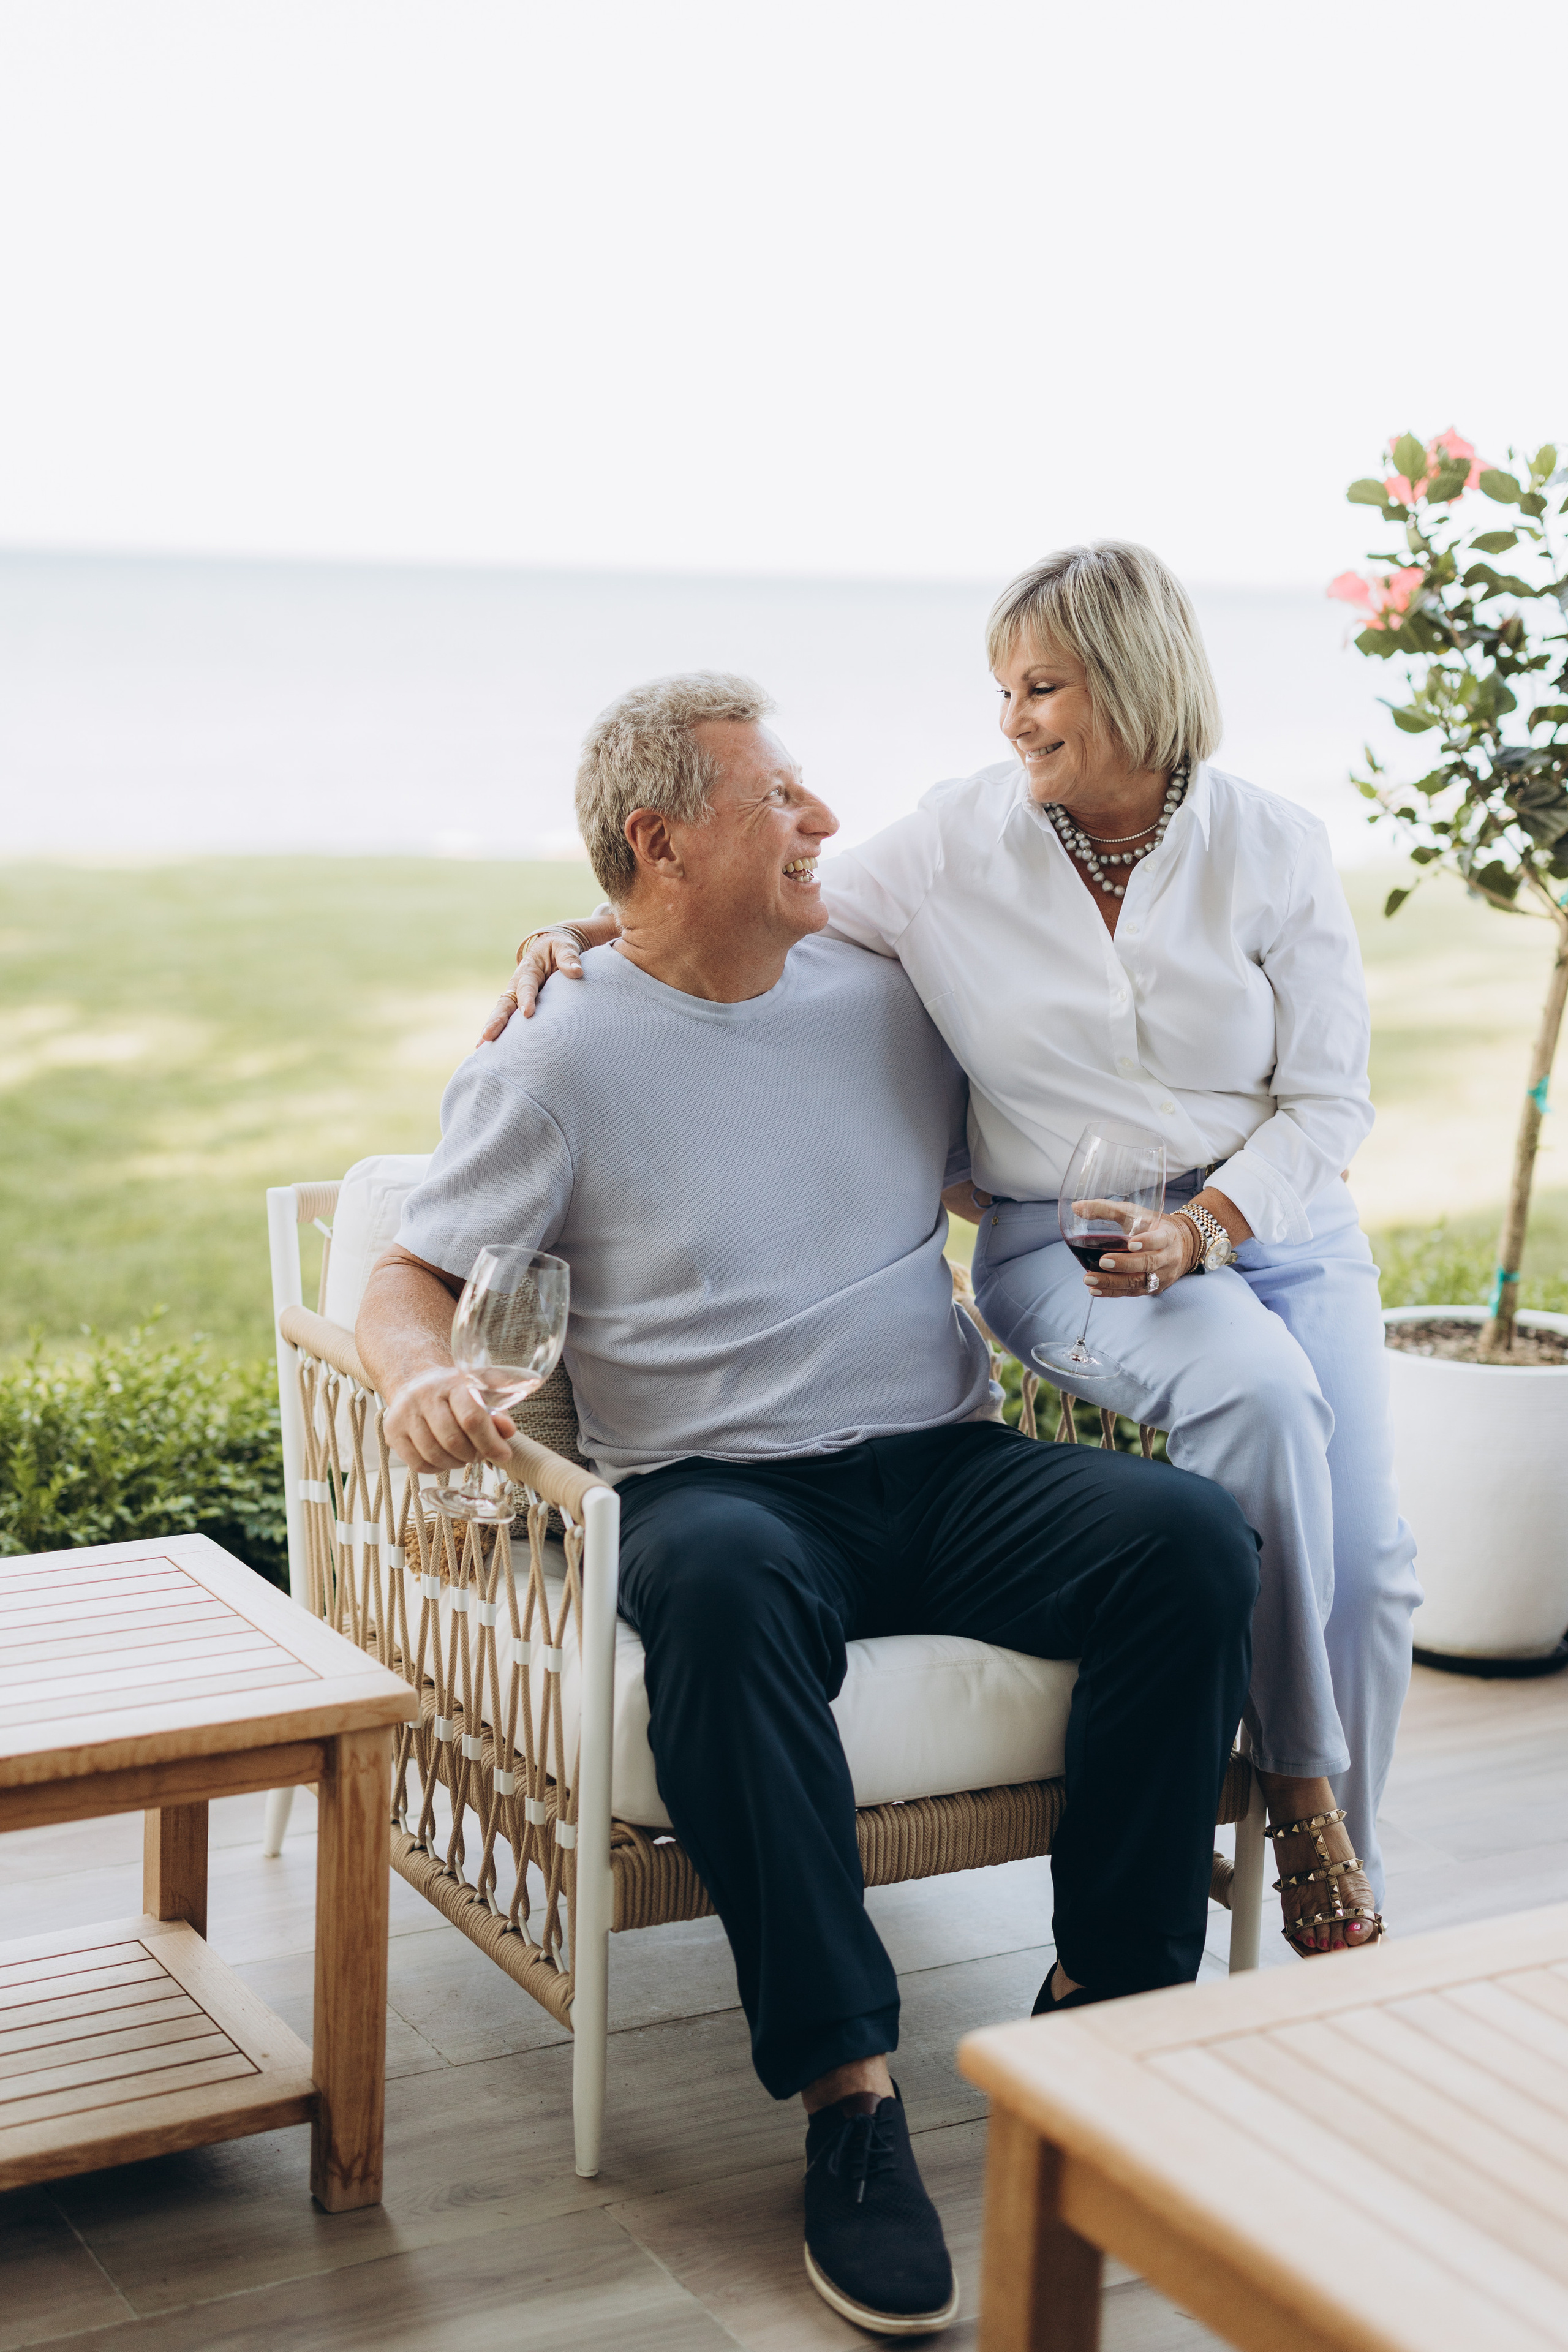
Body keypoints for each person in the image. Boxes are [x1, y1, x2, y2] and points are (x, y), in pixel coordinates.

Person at [360, 671, 1258, 2339]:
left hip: (939, 1463)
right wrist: (418, 1375)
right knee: (705, 1585)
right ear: (663, 838)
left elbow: (1043, 1086)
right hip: (722, 1495)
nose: (824, 824)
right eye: (781, 799)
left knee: (1188, 1540)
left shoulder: (878, 989)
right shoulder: (557, 1056)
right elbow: (413, 1271)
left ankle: (1108, 2008)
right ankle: (852, 2102)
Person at [492, 545, 1423, 1959]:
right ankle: (1291, 1798)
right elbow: (751, 896)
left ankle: (1346, 1849)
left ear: (1135, 682)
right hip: (1072, 1242)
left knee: (1372, 1560)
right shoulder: (947, 847)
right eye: (1000, 689)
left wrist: (1212, 1224)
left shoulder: (1270, 846)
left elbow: (1329, 1102)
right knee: (1257, 1402)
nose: (1012, 719)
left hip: (1271, 1224)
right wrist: (590, 930)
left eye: (1041, 686)